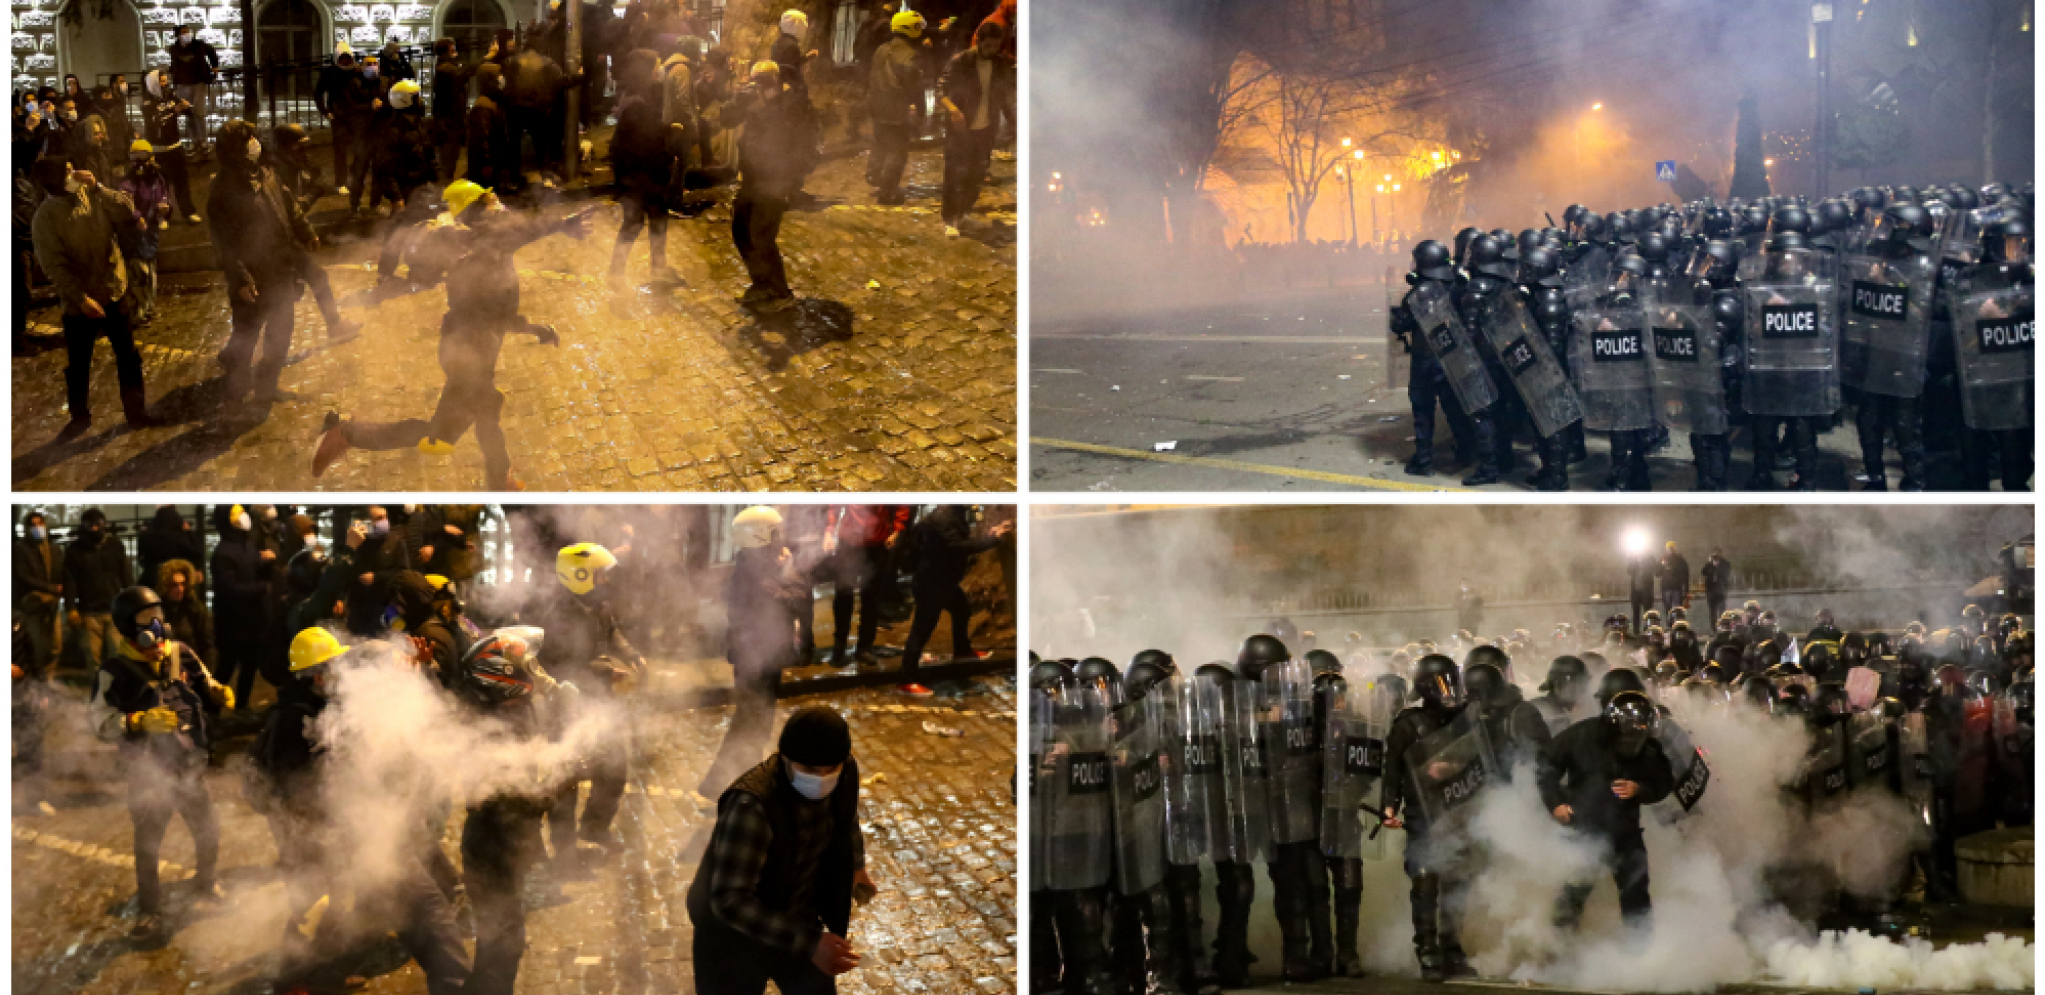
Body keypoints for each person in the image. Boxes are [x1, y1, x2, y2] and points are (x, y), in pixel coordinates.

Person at [313, 183, 589, 490]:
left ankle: (499, 480)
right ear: (473, 211)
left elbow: (496, 308)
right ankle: (345, 434)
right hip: (466, 353)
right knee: (439, 438)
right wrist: (559, 225)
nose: (497, 205)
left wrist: (531, 328)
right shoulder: (478, 243)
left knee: (487, 415)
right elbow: (516, 238)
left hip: (478, 347)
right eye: (487, 201)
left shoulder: (487, 248)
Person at [688, 706, 876, 995]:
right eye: (810, 770)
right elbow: (730, 899)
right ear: (785, 758)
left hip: (797, 918)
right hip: (734, 939)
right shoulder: (752, 807)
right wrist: (811, 943)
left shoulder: (844, 771)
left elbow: (846, 817)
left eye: (830, 770)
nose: (822, 778)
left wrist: (856, 866)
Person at [87, 585, 233, 940]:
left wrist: (217, 692)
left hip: (187, 765)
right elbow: (99, 721)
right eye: (145, 618)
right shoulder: (114, 671)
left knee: (208, 829)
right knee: (148, 843)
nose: (156, 626)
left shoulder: (180, 653)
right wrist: (137, 721)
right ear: (127, 627)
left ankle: (206, 883)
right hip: (147, 772)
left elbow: (204, 681)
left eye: (158, 615)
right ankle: (150, 909)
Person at [30, 153, 159, 439]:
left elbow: (126, 209)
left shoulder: (92, 195)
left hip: (113, 289)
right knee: (79, 363)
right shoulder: (45, 218)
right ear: (54, 180)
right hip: (81, 304)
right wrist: (80, 298)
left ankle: (136, 412)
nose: (75, 174)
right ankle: (79, 416)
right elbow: (54, 266)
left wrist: (98, 186)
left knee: (128, 356)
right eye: (67, 171)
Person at [537, 542, 642, 860]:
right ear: (579, 576)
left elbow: (612, 632)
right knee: (566, 779)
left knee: (614, 768)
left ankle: (595, 828)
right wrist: (607, 670)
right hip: (566, 705)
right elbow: (562, 664)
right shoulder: (557, 616)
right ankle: (565, 851)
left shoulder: (598, 604)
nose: (605, 580)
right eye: (600, 575)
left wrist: (631, 654)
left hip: (599, 699)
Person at [1538, 690, 1673, 936]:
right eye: (1628, 736)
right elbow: (1546, 763)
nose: (1632, 742)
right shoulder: (1581, 735)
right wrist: (1555, 803)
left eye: (1639, 735)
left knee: (1636, 894)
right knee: (1574, 890)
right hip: (1584, 828)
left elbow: (1663, 782)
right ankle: (1558, 946)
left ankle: (1642, 950)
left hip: (1626, 832)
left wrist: (1640, 789)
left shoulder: (1648, 748)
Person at [1378, 655, 1475, 982]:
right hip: (1423, 810)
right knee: (1425, 876)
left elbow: (1479, 758)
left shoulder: (1465, 719)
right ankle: (1427, 948)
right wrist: (1389, 806)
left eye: (1451, 682)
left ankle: (1451, 946)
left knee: (1457, 877)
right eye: (1440, 684)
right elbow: (1392, 769)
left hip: (1459, 810)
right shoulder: (1408, 724)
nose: (1448, 691)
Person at [700, 509, 809, 797]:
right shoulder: (756, 569)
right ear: (761, 536)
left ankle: (734, 781)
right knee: (751, 723)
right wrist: (789, 571)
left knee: (754, 722)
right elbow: (796, 598)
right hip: (755, 659)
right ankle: (726, 784)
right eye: (775, 532)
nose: (780, 537)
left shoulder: (757, 562)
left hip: (762, 655)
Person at [208, 118, 318, 404]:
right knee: (247, 333)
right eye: (249, 139)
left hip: (279, 267)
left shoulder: (266, 173)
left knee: (281, 331)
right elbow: (224, 244)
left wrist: (306, 231)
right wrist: (241, 279)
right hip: (252, 275)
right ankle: (236, 388)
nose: (255, 143)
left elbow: (288, 205)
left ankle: (266, 388)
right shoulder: (223, 191)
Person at [896, 506, 1011, 693]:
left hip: (944, 581)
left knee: (961, 609)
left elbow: (963, 539)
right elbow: (959, 546)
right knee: (921, 630)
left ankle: (962, 651)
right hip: (931, 583)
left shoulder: (955, 511)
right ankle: (906, 679)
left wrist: (990, 534)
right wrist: (991, 540)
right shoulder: (943, 517)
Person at [725, 61, 807, 310]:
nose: (757, 86)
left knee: (762, 235)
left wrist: (791, 183)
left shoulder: (791, 104)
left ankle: (781, 293)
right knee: (741, 229)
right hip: (752, 178)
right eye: (754, 80)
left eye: (761, 80)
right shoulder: (755, 102)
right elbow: (727, 120)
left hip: (775, 180)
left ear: (775, 79)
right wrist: (738, 102)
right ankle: (761, 283)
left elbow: (784, 140)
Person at [609, 48, 680, 284]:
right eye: (656, 66)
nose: (658, 71)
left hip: (637, 175)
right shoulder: (637, 103)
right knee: (638, 222)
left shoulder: (636, 96)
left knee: (649, 220)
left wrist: (664, 130)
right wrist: (666, 140)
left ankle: (653, 269)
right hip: (642, 175)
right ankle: (620, 273)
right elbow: (642, 141)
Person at [936, 22, 1011, 237]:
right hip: (961, 129)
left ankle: (963, 214)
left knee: (977, 174)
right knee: (955, 173)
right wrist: (954, 111)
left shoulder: (999, 63)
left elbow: (1002, 95)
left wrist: (1012, 121)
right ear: (979, 42)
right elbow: (940, 91)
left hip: (986, 129)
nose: (992, 50)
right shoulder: (961, 61)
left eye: (996, 46)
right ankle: (950, 219)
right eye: (988, 46)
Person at [209, 504, 275, 713]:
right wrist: (261, 588)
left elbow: (252, 569)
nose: (244, 516)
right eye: (238, 514)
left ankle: (242, 707)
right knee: (226, 668)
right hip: (232, 622)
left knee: (250, 665)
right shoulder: (223, 553)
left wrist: (265, 562)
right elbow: (229, 588)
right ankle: (211, 711)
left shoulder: (247, 544)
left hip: (252, 620)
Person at [823, 505, 909, 667]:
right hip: (848, 542)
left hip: (877, 543)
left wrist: (898, 530)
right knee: (843, 595)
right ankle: (839, 648)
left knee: (871, 597)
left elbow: (902, 504)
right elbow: (834, 505)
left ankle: (864, 647)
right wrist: (829, 530)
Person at [867, 10, 925, 205]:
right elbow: (916, 89)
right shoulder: (910, 56)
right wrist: (920, 112)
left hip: (877, 106)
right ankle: (888, 192)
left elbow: (871, 77)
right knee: (897, 151)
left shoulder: (881, 49)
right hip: (897, 110)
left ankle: (873, 173)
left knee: (880, 143)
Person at [64, 509, 134, 669]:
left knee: (117, 654)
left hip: (114, 609)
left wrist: (132, 602)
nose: (95, 528)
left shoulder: (115, 546)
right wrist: (71, 608)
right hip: (89, 611)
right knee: (92, 657)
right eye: (91, 525)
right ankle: (97, 684)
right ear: (84, 526)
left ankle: (115, 683)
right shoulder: (75, 550)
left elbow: (126, 575)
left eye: (99, 524)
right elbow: (70, 581)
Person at [315, 43, 377, 215]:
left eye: (348, 58)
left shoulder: (356, 71)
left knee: (360, 148)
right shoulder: (330, 73)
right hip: (339, 116)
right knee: (340, 150)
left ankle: (357, 176)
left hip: (357, 115)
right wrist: (325, 111)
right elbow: (318, 93)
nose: (345, 62)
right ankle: (341, 182)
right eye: (342, 59)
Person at [115, 139, 169, 324]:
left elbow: (163, 196)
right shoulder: (128, 180)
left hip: (150, 233)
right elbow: (124, 201)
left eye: (143, 156)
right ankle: (138, 312)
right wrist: (137, 217)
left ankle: (148, 310)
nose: (139, 162)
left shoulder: (157, 178)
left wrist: (164, 207)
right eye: (135, 157)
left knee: (151, 272)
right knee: (139, 274)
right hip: (132, 235)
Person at [138, 70, 199, 223]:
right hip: (158, 150)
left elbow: (188, 111)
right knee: (161, 185)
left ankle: (188, 212)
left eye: (166, 81)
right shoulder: (147, 102)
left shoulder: (170, 96)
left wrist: (186, 106)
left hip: (175, 147)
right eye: (161, 82)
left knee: (182, 182)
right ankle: (162, 216)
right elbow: (156, 120)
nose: (165, 85)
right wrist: (174, 110)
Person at [13, 510, 65, 677]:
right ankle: (37, 679)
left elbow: (61, 572)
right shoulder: (20, 548)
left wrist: (60, 590)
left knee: (55, 643)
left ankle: (48, 677)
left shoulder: (54, 549)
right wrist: (51, 588)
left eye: (40, 524)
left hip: (52, 603)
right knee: (35, 643)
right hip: (32, 603)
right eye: (33, 525)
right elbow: (23, 576)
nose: (37, 528)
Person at [431, 37, 483, 183]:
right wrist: (487, 57)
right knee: (447, 161)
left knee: (451, 160)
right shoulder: (445, 69)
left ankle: (446, 187)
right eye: (452, 48)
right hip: (448, 123)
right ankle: (444, 190)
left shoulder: (448, 67)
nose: (455, 50)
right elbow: (464, 73)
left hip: (452, 121)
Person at [153, 559, 215, 672]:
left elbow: (208, 646)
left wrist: (205, 673)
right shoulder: (157, 611)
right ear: (166, 586)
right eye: (175, 585)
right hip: (163, 669)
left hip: (191, 669)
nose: (180, 589)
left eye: (182, 584)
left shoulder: (196, 610)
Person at [166, 25, 218, 149]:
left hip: (198, 82)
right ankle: (193, 141)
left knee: (199, 112)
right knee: (188, 113)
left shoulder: (198, 45)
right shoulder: (174, 48)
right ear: (178, 35)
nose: (186, 34)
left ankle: (202, 140)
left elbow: (211, 51)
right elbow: (175, 63)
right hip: (182, 84)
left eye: (187, 32)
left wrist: (214, 66)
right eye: (183, 32)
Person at [1701, 548, 1732, 624]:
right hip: (1711, 591)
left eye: (1717, 554)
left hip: (1721, 590)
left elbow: (1726, 574)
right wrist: (1711, 565)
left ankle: (1722, 625)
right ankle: (1714, 627)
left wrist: (1717, 568)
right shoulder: (1709, 564)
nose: (1716, 556)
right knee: (1712, 611)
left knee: (1722, 611)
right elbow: (1703, 572)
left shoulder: (1725, 564)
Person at [1658, 541, 1690, 615]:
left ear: (1674, 549)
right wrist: (1661, 565)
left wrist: (1686, 590)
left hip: (1676, 589)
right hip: (1667, 588)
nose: (1670, 550)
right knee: (1668, 610)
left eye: (1671, 548)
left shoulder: (1680, 560)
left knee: (1677, 610)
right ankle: (1671, 621)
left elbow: (1686, 574)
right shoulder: (1663, 559)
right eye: (1669, 548)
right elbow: (1657, 573)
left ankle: (1676, 621)